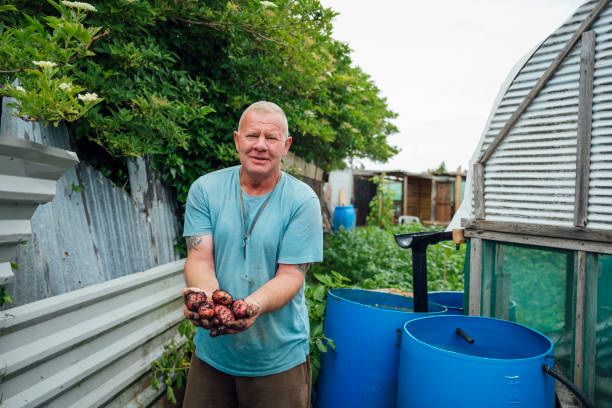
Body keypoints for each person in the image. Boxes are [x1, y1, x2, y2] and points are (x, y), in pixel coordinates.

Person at [181, 101, 323, 408]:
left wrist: (251, 307)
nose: (260, 145)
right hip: (213, 353)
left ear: (286, 146)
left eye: (271, 138)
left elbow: (291, 275)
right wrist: (206, 301)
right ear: (236, 140)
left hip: (278, 359)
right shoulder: (205, 189)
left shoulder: (302, 201)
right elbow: (199, 259)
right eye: (252, 136)